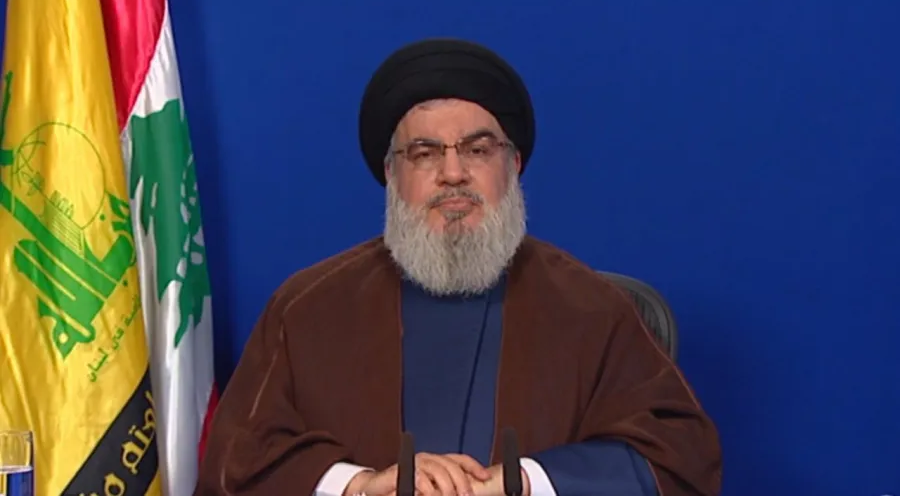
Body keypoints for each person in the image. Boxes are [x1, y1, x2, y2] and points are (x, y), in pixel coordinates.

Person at [194, 38, 722, 496]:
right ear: (391, 174)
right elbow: (235, 460)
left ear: (513, 165)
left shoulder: (592, 308)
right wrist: (357, 485)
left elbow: (681, 457)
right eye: (424, 153)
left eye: (477, 149)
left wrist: (528, 482)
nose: (452, 173)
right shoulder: (308, 307)